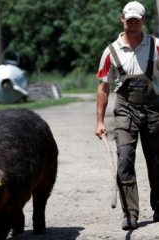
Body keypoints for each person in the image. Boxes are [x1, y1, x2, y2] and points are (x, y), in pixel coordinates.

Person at [95, 1, 159, 231]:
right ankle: (130, 214)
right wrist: (100, 121)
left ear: (143, 21)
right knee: (124, 161)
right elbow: (103, 88)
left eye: (137, 21)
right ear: (122, 19)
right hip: (125, 110)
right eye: (129, 20)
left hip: (154, 110)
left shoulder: (156, 46)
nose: (132, 25)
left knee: (157, 161)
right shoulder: (110, 51)